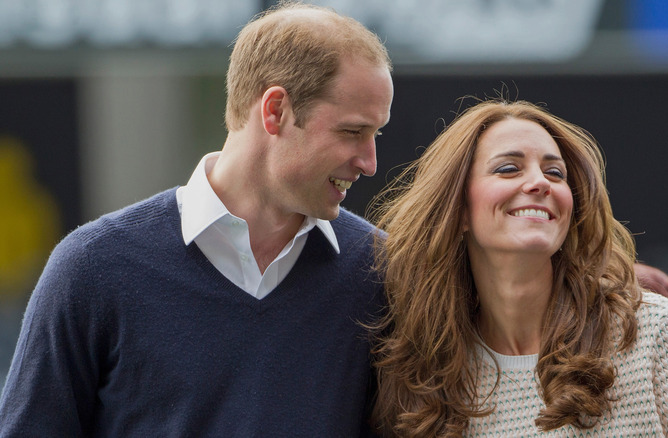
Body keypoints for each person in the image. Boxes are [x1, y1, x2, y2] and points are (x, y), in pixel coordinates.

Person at [0, 2, 393, 436]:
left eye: (376, 134)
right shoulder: (93, 268)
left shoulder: (382, 273)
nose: (370, 162)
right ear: (275, 110)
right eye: (353, 132)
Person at [369, 99, 668, 437]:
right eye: (508, 168)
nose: (540, 183)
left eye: (555, 173)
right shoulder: (420, 375)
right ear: (459, 209)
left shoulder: (652, 331)